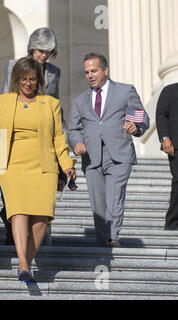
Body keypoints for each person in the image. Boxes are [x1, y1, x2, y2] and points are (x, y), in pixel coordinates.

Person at [0, 57, 76, 283]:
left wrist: (66, 166)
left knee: (42, 217)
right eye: (25, 79)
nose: (29, 84)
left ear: (39, 81)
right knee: (18, 211)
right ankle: (23, 262)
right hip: (12, 164)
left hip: (43, 166)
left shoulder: (51, 104)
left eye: (33, 80)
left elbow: (58, 138)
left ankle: (27, 259)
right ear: (17, 79)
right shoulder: (3, 101)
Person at [68, 53, 150, 247]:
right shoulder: (80, 100)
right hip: (91, 156)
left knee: (115, 195)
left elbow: (142, 117)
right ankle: (102, 240)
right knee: (98, 202)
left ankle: (112, 237)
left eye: (94, 70)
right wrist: (76, 142)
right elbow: (73, 129)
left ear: (105, 70)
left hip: (119, 154)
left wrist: (136, 127)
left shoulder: (125, 91)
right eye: (87, 72)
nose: (90, 75)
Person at [0, 27, 63, 246]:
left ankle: (39, 241)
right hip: (16, 136)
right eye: (40, 50)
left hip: (43, 138)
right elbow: (6, 99)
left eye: (49, 52)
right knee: (15, 200)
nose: (44, 55)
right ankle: (12, 230)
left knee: (41, 199)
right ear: (32, 48)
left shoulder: (54, 72)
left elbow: (57, 105)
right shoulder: (12, 66)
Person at [156, 84, 178, 230]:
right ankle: (172, 223)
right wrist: (165, 138)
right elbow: (161, 115)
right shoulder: (170, 90)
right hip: (176, 147)